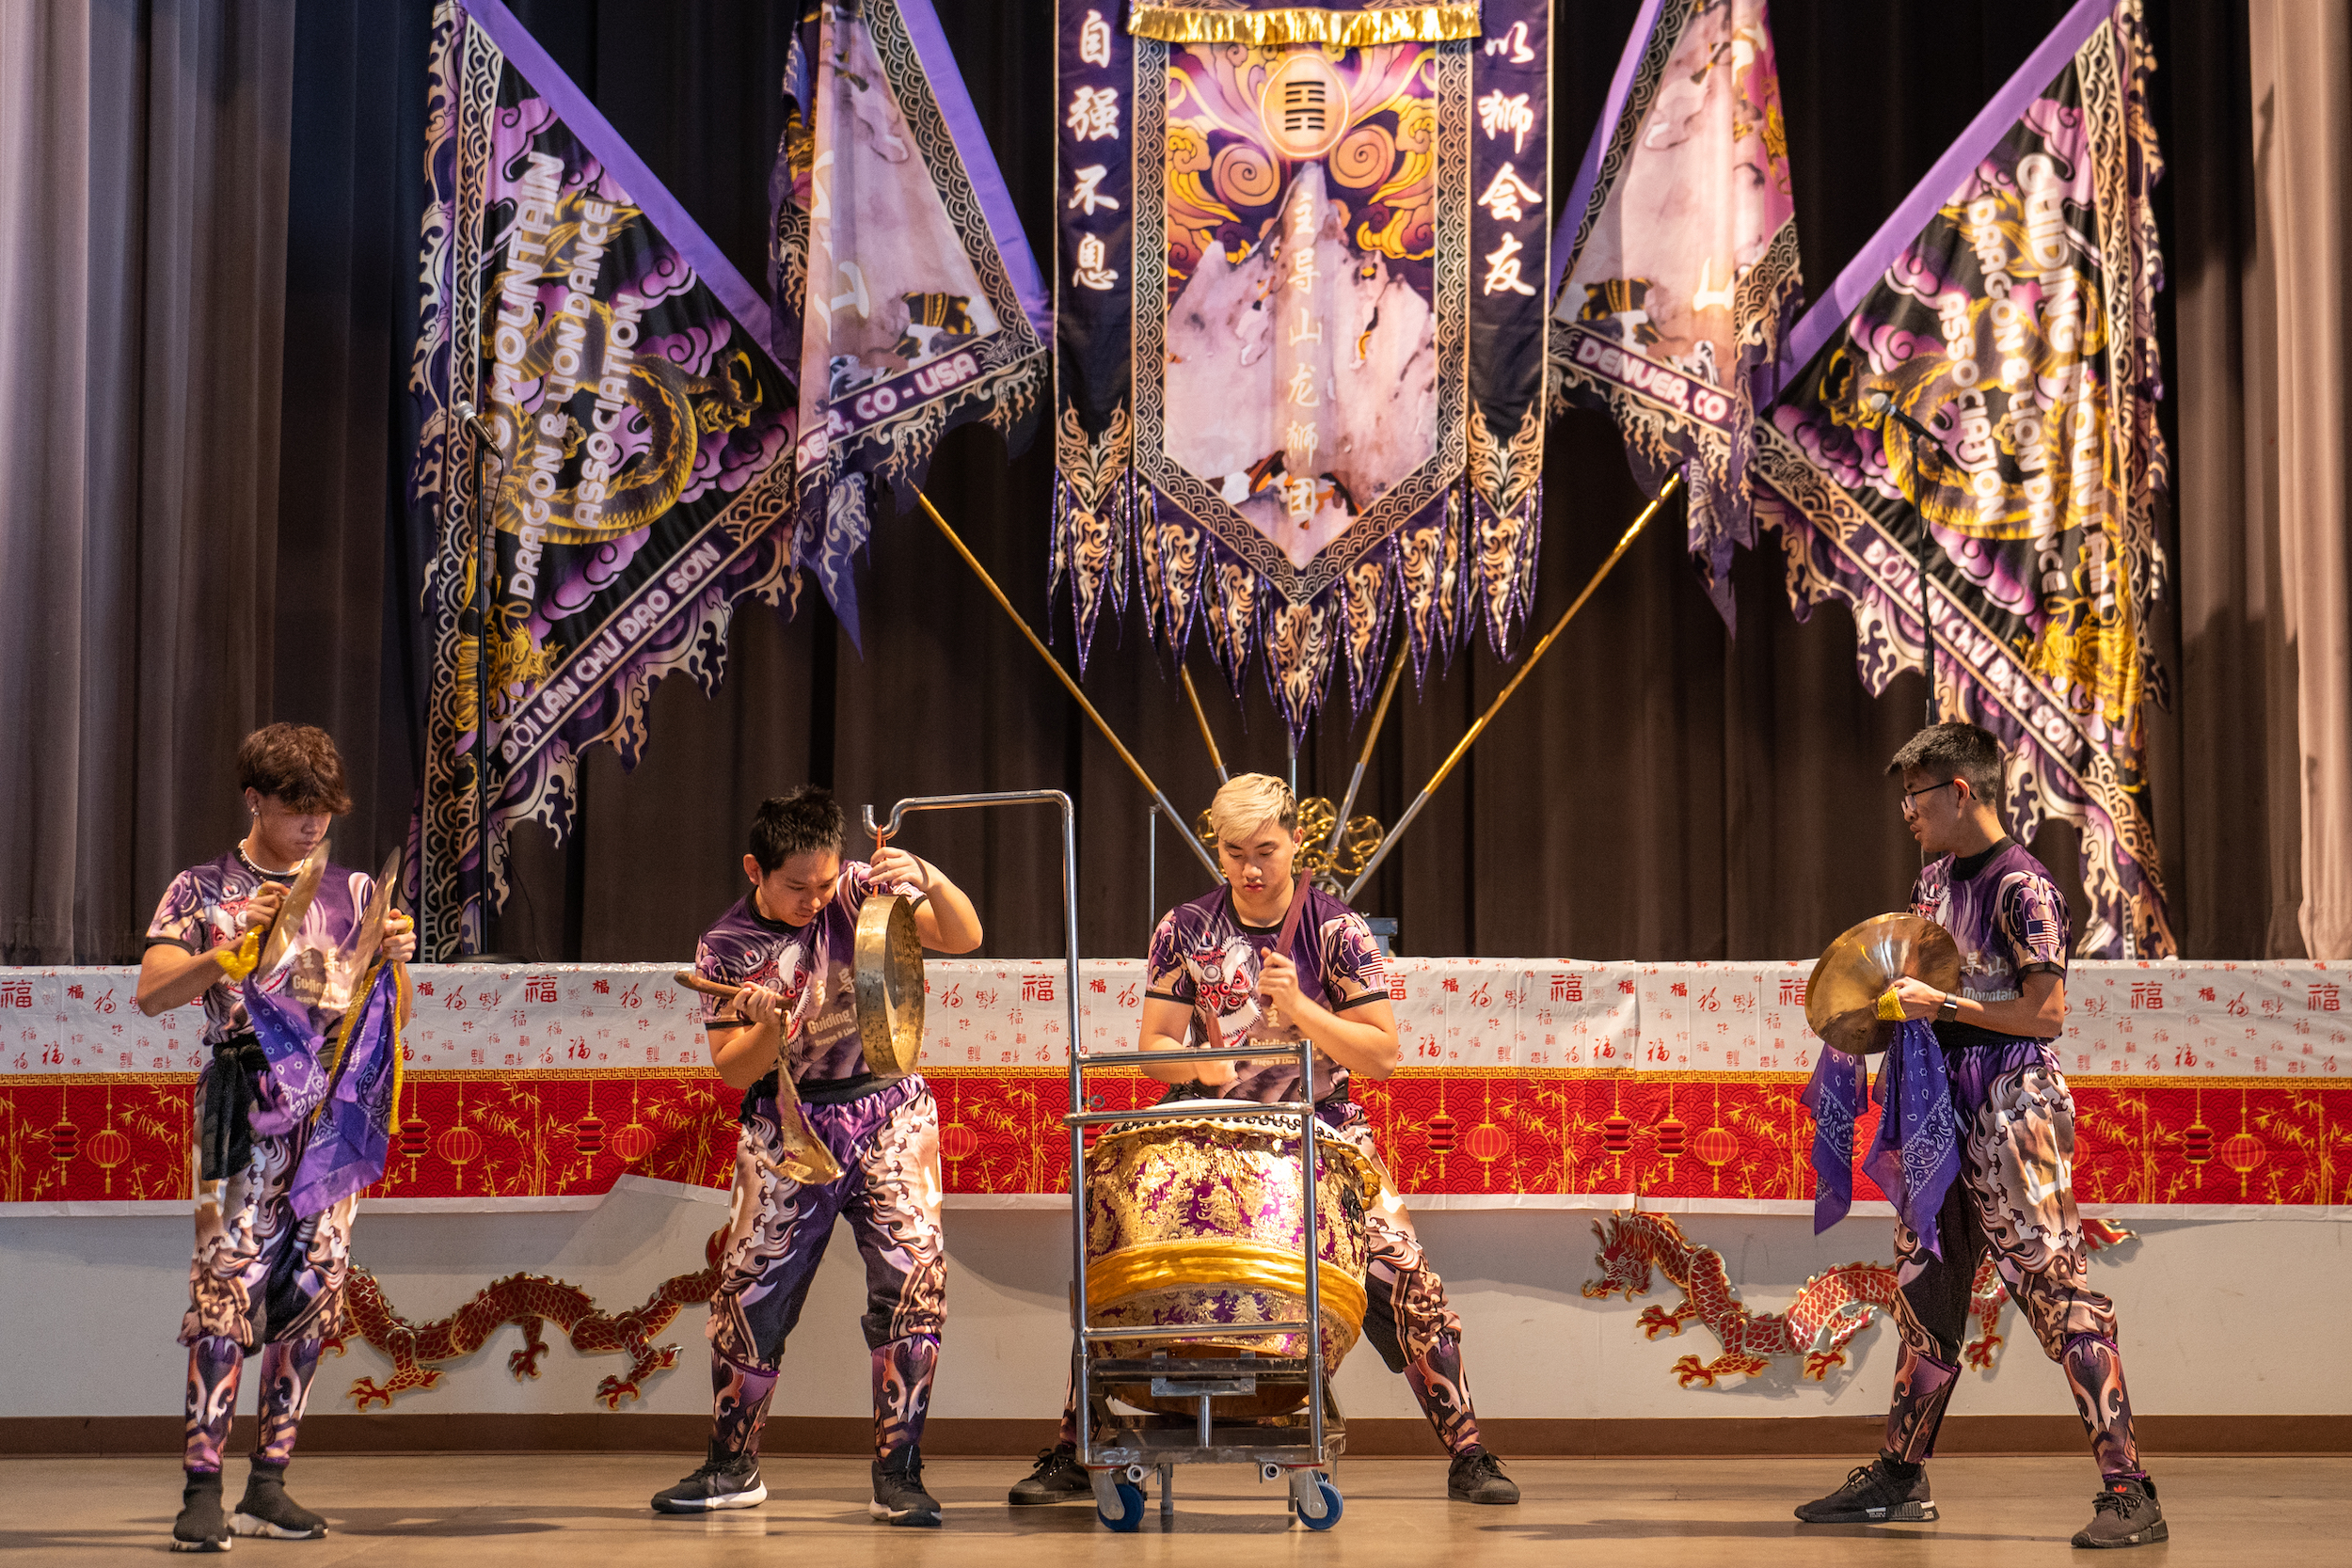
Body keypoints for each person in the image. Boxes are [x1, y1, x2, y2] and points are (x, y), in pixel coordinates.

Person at [1009, 773, 1519, 1509]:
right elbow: (1153, 1042)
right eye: (1235, 851)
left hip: (1322, 1129)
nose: (1251, 869)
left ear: (1296, 843)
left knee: (1404, 1273)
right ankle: (1071, 1442)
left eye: (1267, 851)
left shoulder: (1337, 931)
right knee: (1118, 1252)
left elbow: (1381, 1054)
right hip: (1207, 1129)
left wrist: (1301, 1008)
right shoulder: (1183, 927)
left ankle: (1468, 1450)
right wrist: (1196, 1061)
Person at [1793, 721, 2166, 1549]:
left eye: (1917, 798)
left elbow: (2047, 1014)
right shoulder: (1931, 882)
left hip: (2011, 1104)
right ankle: (1900, 1475)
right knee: (1927, 1285)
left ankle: (2131, 1488)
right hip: (1937, 1105)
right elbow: (1921, 980)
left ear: (1961, 792)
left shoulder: (2023, 885)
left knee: (2053, 1284)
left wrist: (1945, 1007)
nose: (1907, 813)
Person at [651, 786, 981, 1527]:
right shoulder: (727, 946)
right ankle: (732, 1464)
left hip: (889, 1107)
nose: (813, 899)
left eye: (824, 883)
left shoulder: (863, 890)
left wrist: (925, 874)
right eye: (796, 886)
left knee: (912, 1279)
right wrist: (773, 1022)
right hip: (788, 1120)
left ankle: (899, 1471)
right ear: (754, 870)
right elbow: (735, 1069)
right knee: (749, 1294)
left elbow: (963, 934)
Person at [137, 723, 416, 1552]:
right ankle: (201, 1486)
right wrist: (231, 949)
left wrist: (394, 958)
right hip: (243, 1095)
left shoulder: (357, 889)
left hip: (333, 1103)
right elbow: (152, 991)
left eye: (325, 813)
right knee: (225, 1288)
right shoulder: (206, 887)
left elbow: (391, 1011)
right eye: (298, 811)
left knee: (314, 1289)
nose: (313, 829)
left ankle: (271, 1484)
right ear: (255, 799)